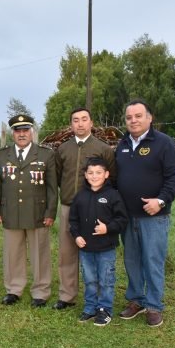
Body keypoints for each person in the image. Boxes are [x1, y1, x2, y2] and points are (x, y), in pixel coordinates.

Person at [115, 99, 175, 328]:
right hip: (128, 217)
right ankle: (136, 300)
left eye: (138, 116)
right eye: (129, 117)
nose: (133, 120)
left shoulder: (164, 143)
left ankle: (154, 306)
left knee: (152, 261)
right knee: (132, 260)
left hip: (154, 217)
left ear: (149, 118)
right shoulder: (122, 144)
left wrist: (161, 201)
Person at [53, 107, 116, 310]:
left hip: (96, 210)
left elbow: (111, 177)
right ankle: (67, 295)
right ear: (71, 124)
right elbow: (58, 176)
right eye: (75, 120)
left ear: (91, 122)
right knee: (67, 251)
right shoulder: (63, 149)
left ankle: (97, 297)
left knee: (95, 252)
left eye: (84, 119)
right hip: (69, 207)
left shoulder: (103, 148)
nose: (80, 124)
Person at [0, 114, 57, 307]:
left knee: (40, 254)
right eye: (18, 131)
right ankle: (14, 289)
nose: (22, 134)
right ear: (12, 133)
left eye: (25, 130)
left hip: (37, 212)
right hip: (10, 210)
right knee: (13, 253)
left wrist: (50, 212)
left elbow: (52, 188)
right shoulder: (2, 155)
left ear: (32, 132)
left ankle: (41, 291)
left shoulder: (46, 154)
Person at [69, 157, 128, 326]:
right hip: (86, 248)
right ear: (85, 175)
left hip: (106, 248)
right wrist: (76, 236)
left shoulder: (113, 195)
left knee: (106, 279)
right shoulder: (80, 196)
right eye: (91, 173)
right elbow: (73, 221)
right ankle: (90, 307)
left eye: (98, 173)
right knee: (89, 279)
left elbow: (122, 219)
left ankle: (105, 309)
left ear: (106, 174)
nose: (94, 176)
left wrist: (107, 228)